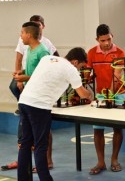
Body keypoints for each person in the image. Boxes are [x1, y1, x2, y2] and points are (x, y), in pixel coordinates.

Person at [18, 47, 93, 181]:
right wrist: (91, 95)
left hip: (24, 101)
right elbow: (82, 94)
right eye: (81, 67)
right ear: (75, 62)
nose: (80, 70)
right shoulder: (71, 69)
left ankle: (23, 178)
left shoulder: (47, 59)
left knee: (25, 144)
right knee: (41, 146)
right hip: (39, 106)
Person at [1, 15, 57, 172]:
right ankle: (24, 173)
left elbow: (46, 74)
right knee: (26, 141)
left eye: (22, 32)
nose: (20, 35)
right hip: (28, 98)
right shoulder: (29, 49)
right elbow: (31, 68)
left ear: (30, 34)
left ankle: (45, 168)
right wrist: (22, 74)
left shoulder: (43, 50)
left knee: (39, 142)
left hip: (38, 100)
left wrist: (25, 77)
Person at [87, 24, 125, 175]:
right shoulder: (91, 53)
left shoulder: (120, 52)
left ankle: (114, 160)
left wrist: (110, 95)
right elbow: (88, 75)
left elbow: (117, 77)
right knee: (98, 129)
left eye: (108, 39)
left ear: (112, 36)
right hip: (100, 95)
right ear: (97, 39)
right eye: (102, 40)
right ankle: (100, 162)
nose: (106, 43)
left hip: (118, 94)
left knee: (117, 127)